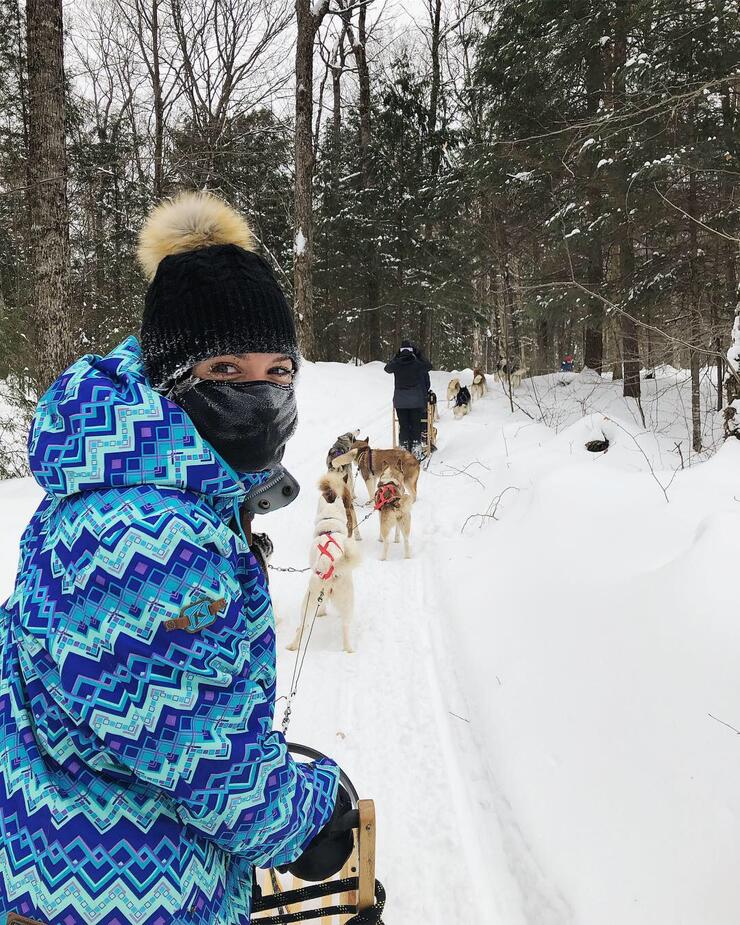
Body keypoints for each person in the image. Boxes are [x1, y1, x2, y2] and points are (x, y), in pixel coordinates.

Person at [0, 192, 353, 925]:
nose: (258, 391)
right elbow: (213, 770)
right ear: (169, 376)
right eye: (225, 366)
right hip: (120, 895)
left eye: (277, 370)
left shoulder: (140, 482)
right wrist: (310, 813)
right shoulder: (141, 536)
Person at [384, 339, 432, 458]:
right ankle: (416, 449)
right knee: (416, 424)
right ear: (412, 351)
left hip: (400, 401)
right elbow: (428, 366)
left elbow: (387, 368)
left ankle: (403, 448)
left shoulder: (397, 364)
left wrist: (396, 356)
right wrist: (418, 354)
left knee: (404, 425)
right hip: (416, 401)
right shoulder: (417, 364)